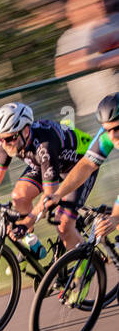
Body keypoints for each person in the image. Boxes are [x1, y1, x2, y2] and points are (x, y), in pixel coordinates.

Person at [0, 103, 94, 253]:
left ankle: (87, 269)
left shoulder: (45, 147)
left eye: (9, 138)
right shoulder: (9, 140)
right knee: (19, 197)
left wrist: (27, 221)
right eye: (0, 138)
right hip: (50, 164)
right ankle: (33, 245)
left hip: (80, 166)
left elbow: (49, 196)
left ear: (26, 130)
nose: (4, 144)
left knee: (63, 225)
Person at [35, 94, 119, 232]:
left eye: (117, 128)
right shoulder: (107, 137)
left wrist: (115, 217)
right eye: (107, 129)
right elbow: (86, 165)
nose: (112, 136)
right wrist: (57, 195)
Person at [55, 0, 119, 119]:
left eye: (101, 1)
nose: (101, 5)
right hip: (94, 112)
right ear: (78, 11)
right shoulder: (69, 38)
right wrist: (104, 61)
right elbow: (62, 69)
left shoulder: (113, 24)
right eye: (95, 3)